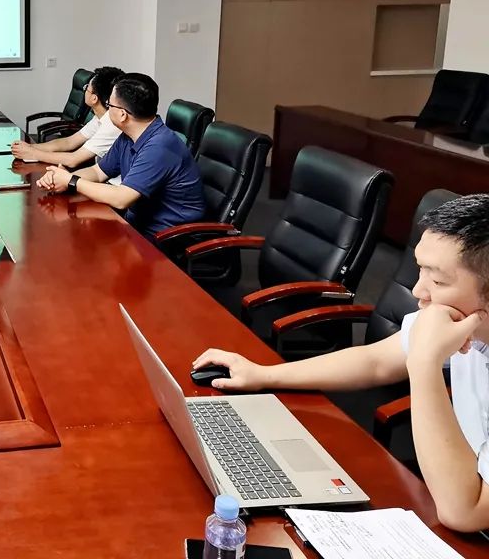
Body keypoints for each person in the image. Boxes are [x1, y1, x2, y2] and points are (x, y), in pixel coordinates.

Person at [193, 194, 489, 533]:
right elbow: (376, 360)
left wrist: (424, 364)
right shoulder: (458, 320)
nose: (418, 291)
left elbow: (464, 512)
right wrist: (263, 375)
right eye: (420, 270)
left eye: (437, 281)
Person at [36, 73, 205, 236]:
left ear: (122, 114)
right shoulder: (128, 135)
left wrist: (71, 181)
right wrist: (61, 179)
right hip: (136, 224)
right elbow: (98, 172)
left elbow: (121, 198)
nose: (107, 109)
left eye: (109, 105)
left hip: (166, 237)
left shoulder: (159, 146)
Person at [11, 66, 124, 171]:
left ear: (94, 98)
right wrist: (31, 147)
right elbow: (69, 142)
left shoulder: (111, 125)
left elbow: (73, 160)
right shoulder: (100, 117)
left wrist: (33, 154)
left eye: (86, 88)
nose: (84, 91)